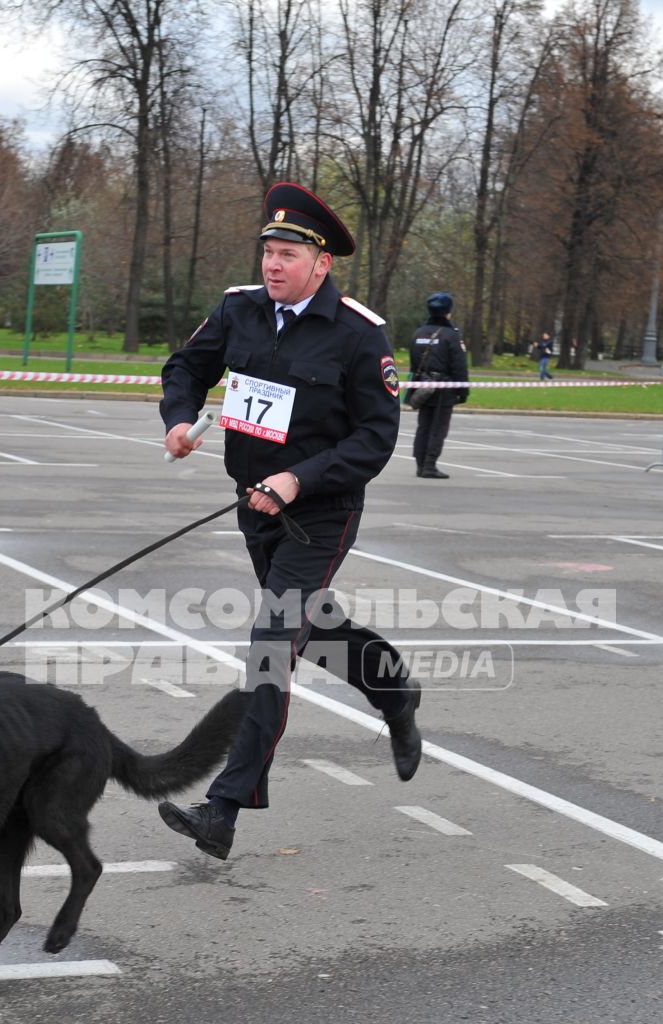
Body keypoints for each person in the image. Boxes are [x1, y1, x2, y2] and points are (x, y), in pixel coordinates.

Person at [156, 181, 423, 860]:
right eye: (268, 251)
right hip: (253, 505)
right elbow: (185, 366)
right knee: (314, 631)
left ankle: (223, 810)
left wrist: (297, 478)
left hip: (321, 513)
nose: (272, 265)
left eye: (286, 254)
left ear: (320, 263)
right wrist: (181, 419)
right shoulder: (239, 310)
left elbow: (374, 437)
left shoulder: (359, 335)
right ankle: (394, 688)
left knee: (272, 643)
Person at [407, 291, 469, 478]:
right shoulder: (451, 335)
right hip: (444, 388)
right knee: (438, 428)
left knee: (423, 426)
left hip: (423, 387)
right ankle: (429, 465)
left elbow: (413, 363)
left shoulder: (418, 333)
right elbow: (459, 366)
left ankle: (420, 464)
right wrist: (462, 391)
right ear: (448, 312)